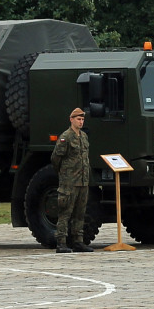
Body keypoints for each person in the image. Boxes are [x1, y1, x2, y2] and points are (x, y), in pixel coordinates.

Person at [50, 108, 93, 253]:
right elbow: (56, 158)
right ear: (71, 120)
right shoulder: (65, 137)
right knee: (65, 211)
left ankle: (78, 241)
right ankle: (61, 242)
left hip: (82, 181)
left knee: (80, 213)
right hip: (69, 181)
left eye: (82, 120)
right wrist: (64, 174)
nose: (80, 122)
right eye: (78, 119)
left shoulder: (84, 137)